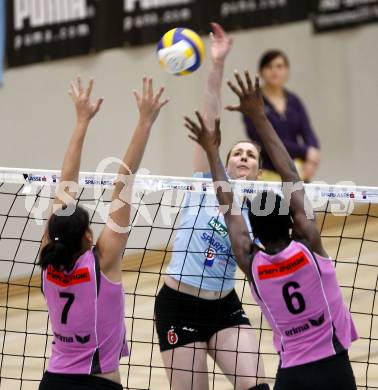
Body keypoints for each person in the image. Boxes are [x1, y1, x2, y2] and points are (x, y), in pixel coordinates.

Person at [184, 71, 358, 390]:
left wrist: (212, 151)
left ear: (256, 236)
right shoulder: (309, 246)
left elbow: (230, 211)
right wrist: (259, 116)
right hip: (333, 367)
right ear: (294, 222)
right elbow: (291, 172)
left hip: (291, 375)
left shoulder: (253, 264)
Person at [154, 24, 269, 390]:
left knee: (258, 387)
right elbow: (209, 121)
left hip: (224, 307)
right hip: (179, 304)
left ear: (258, 170)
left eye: (250, 155)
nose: (243, 157)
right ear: (224, 159)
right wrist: (217, 65)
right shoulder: (205, 180)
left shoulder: (263, 210)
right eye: (237, 152)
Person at [38, 76, 168, 390]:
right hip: (98, 383)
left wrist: (81, 122)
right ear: (88, 237)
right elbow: (123, 180)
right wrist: (145, 122)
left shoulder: (47, 260)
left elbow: (64, 189)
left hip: (53, 381)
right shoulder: (102, 262)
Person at [243, 50, 320, 182]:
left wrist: (312, 158)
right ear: (261, 72)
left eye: (279, 66)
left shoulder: (294, 101)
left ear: (287, 71)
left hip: (295, 172)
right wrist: (305, 151)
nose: (274, 71)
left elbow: (308, 132)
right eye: (269, 66)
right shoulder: (253, 102)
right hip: (266, 172)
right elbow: (264, 140)